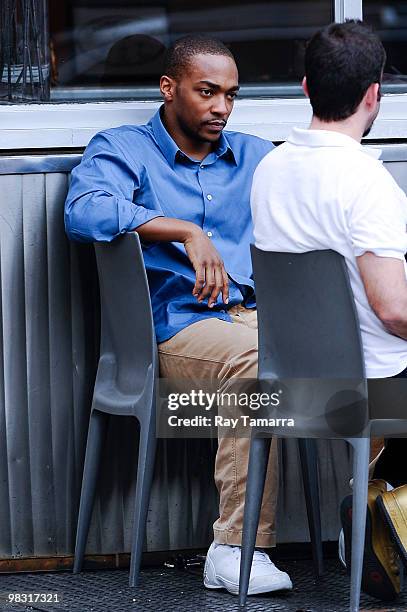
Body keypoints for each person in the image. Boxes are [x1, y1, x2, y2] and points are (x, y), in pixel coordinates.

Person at [65, 35, 292, 596]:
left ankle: (369, 517)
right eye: (207, 92)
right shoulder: (125, 148)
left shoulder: (257, 155)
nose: (221, 108)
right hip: (176, 331)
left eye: (231, 96)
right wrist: (185, 230)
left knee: (356, 351)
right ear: (169, 89)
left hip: (256, 315)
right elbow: (85, 210)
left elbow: (311, 196)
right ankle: (235, 550)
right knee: (260, 364)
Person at [251, 20, 407, 601]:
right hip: (371, 391)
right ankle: (378, 508)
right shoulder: (365, 180)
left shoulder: (271, 169)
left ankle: (377, 508)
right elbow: (393, 310)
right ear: (373, 95)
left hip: (292, 381)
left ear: (305, 86)